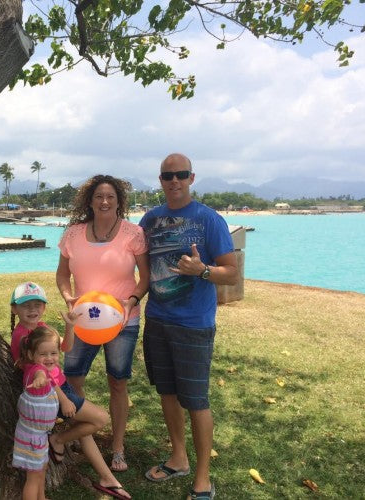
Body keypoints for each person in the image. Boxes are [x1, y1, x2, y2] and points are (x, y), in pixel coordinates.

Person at [138, 153, 238, 500]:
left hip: (194, 324)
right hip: (158, 321)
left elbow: (232, 272)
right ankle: (178, 458)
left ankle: (202, 477)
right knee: (166, 392)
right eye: (168, 176)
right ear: (161, 180)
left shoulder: (209, 220)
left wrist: (203, 271)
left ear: (192, 178)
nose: (174, 181)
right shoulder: (149, 220)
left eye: (181, 175)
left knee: (196, 401)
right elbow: (136, 262)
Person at [56, 175, 149, 473]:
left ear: (119, 201)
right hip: (82, 321)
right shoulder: (73, 234)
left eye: (111, 196)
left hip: (123, 321)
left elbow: (144, 278)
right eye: (99, 196)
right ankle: (82, 437)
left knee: (117, 382)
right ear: (90, 201)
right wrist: (70, 298)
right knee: (72, 379)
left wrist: (131, 301)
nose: (105, 201)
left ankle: (118, 447)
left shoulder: (133, 234)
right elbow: (62, 275)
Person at [10, 281, 132, 500]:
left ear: (44, 308)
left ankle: (107, 478)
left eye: (37, 304)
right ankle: (59, 440)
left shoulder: (41, 328)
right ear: (14, 309)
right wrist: (64, 400)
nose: (32, 310)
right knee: (99, 419)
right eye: (26, 305)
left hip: (60, 386)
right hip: (51, 395)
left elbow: (64, 348)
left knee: (84, 427)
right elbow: (41, 374)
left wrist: (70, 326)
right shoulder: (22, 337)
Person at [12, 327, 61, 500]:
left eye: (53, 353)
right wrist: (40, 379)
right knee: (33, 478)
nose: (49, 358)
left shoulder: (32, 367)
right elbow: (39, 374)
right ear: (32, 355)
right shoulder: (37, 371)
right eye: (43, 354)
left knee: (41, 471)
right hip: (32, 438)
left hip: (36, 435)